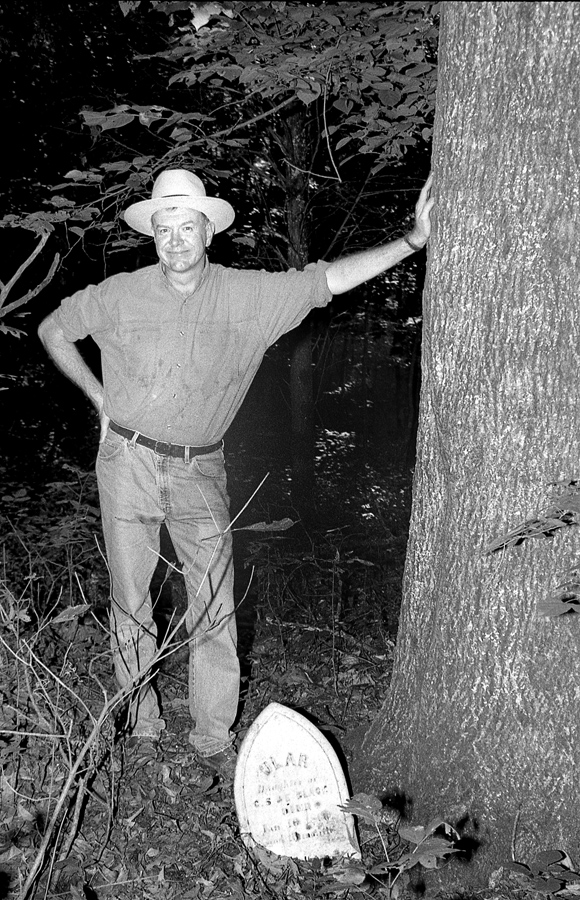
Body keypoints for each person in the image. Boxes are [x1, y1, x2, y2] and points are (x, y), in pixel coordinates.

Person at [38, 168, 433, 782]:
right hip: (127, 462)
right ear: (153, 236)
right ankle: (142, 726)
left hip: (201, 468)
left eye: (185, 226)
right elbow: (53, 329)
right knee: (131, 600)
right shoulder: (118, 294)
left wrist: (411, 241)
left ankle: (211, 737)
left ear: (207, 232)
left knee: (215, 605)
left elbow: (325, 281)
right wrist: (98, 398)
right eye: (163, 228)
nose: (175, 238)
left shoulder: (248, 296)